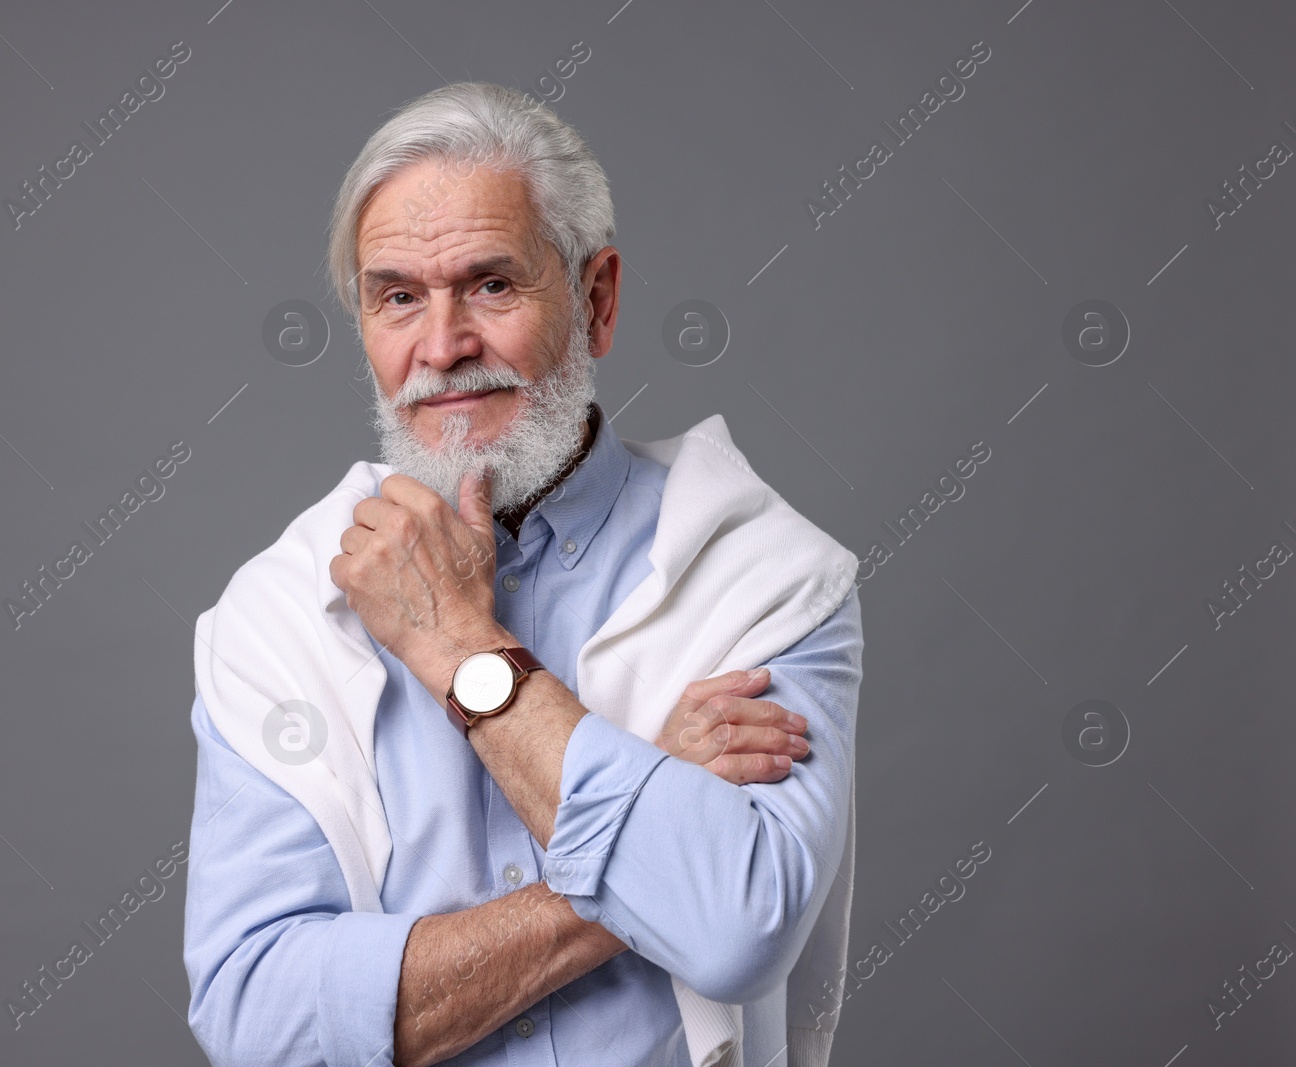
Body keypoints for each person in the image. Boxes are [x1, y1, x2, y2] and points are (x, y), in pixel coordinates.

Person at [185, 82, 863, 1067]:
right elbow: (257, 1018)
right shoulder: (277, 613)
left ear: (596, 298)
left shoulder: (763, 574)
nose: (443, 346)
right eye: (398, 296)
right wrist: (642, 840)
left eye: (493, 284)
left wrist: (455, 643)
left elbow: (734, 927)